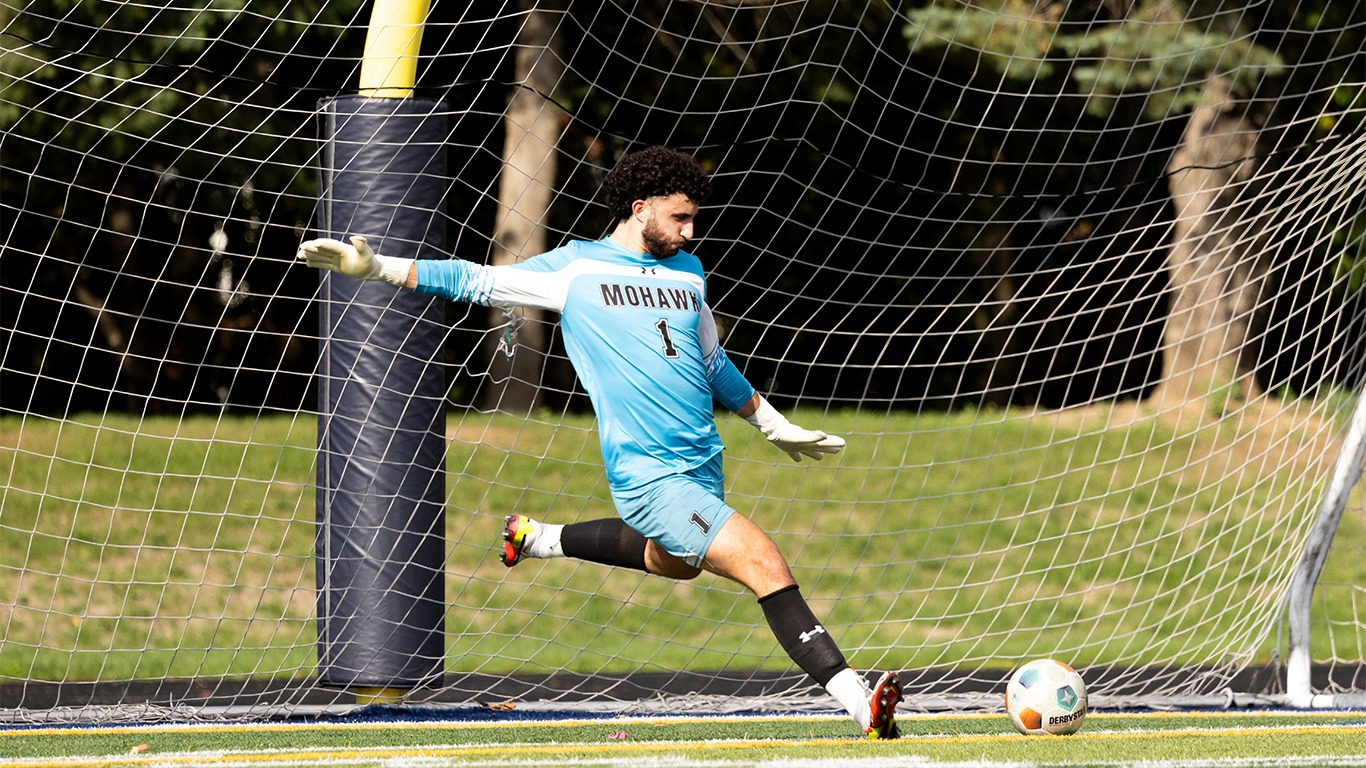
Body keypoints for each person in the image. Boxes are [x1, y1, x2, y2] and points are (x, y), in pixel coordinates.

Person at [297, 145, 902, 739]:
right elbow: (473, 280)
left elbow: (712, 361)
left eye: (694, 219)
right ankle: (855, 700)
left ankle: (538, 538)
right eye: (680, 217)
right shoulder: (575, 270)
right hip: (646, 475)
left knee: (678, 565)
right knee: (762, 560)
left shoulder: (689, 273)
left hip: (702, 463)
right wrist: (376, 268)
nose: (691, 232)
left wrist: (773, 423)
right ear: (640, 209)